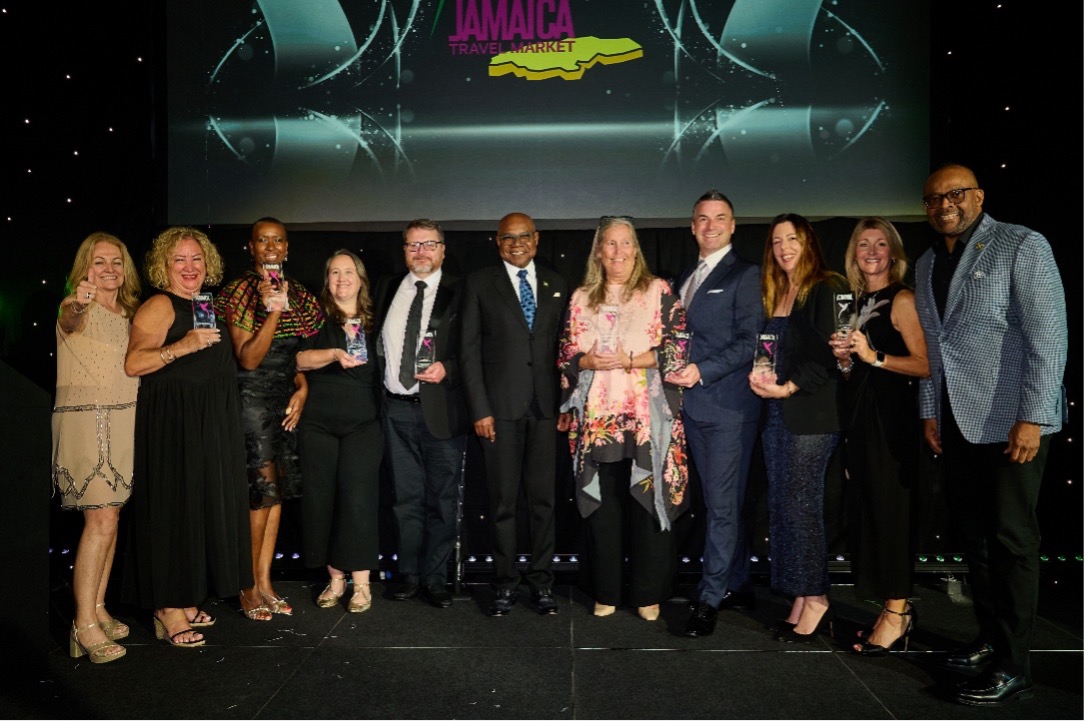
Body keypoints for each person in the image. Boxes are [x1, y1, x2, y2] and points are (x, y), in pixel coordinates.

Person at [914, 164, 1066, 706]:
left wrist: (1034, 415)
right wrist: (932, 411)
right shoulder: (930, 262)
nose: (943, 205)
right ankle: (988, 638)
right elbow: (936, 350)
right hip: (958, 422)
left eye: (954, 194)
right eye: (933, 199)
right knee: (975, 541)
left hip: (1012, 423)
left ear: (977, 196)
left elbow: (1050, 336)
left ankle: (1014, 663)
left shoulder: (1021, 245)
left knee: (1012, 542)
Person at [122, 226, 251, 647]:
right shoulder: (160, 304)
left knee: (193, 510)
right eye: (180, 259)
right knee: (172, 510)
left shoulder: (205, 304)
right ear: (164, 265)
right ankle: (167, 609)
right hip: (171, 426)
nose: (190, 267)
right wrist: (182, 346)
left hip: (205, 424)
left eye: (196, 258)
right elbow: (134, 364)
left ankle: (186, 593)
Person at [558, 216, 688, 621]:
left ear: (636, 249)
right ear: (599, 251)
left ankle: (648, 594)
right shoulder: (582, 298)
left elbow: (679, 347)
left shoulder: (657, 291)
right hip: (597, 419)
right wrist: (586, 360)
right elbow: (564, 356)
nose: (617, 252)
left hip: (646, 417)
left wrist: (634, 359)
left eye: (625, 244)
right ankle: (606, 590)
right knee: (604, 506)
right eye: (609, 244)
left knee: (647, 502)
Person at [827, 217, 929, 655]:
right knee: (869, 514)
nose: (871, 250)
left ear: (893, 253)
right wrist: (846, 360)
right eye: (863, 243)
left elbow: (925, 364)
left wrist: (876, 356)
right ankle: (890, 608)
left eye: (880, 243)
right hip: (860, 422)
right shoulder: (853, 302)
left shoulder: (902, 298)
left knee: (891, 516)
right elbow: (854, 371)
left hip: (894, 424)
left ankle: (899, 612)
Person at [664, 190, 763, 638]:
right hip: (692, 409)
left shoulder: (745, 275)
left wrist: (701, 370)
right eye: (702, 218)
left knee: (721, 507)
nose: (710, 225)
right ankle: (734, 581)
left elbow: (748, 342)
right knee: (718, 504)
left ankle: (708, 600)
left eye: (720, 218)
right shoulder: (687, 275)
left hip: (726, 409)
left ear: (733, 224)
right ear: (692, 225)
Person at [460, 212, 569, 616]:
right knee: (503, 503)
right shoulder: (479, 283)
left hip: (546, 411)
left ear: (537, 239)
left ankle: (542, 583)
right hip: (498, 413)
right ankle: (504, 582)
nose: (517, 243)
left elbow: (566, 350)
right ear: (497, 241)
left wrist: (568, 403)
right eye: (508, 238)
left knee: (544, 502)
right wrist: (480, 409)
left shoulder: (556, 283)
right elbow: (468, 352)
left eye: (524, 236)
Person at [215, 217, 323, 619]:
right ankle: (245, 586)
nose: (272, 247)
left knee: (276, 497)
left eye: (278, 240)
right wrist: (273, 310)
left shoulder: (298, 293)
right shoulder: (240, 292)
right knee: (260, 495)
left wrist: (303, 386)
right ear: (251, 247)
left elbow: (290, 355)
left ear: (287, 248)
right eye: (263, 240)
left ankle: (264, 582)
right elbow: (249, 357)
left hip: (283, 401)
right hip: (251, 401)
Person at [748, 213, 845, 643]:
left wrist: (788, 387)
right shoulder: (779, 291)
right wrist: (762, 377)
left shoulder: (827, 286)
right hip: (777, 413)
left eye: (792, 238)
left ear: (808, 242)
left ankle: (817, 598)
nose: (784, 247)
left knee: (803, 506)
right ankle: (799, 595)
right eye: (776, 241)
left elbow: (831, 353)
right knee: (784, 506)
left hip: (811, 415)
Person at [53, 232, 141, 664]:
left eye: (116, 262)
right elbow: (70, 320)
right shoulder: (75, 306)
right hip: (89, 420)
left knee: (112, 517)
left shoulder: (127, 311)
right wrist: (78, 301)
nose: (109, 269)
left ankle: (99, 607)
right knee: (100, 522)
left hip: (124, 417)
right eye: (100, 262)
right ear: (84, 268)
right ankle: (82, 625)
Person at [376, 220, 468, 608]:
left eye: (429, 245)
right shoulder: (386, 289)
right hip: (395, 410)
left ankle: (435, 577)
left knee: (441, 499)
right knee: (405, 499)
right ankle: (409, 575)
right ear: (404, 251)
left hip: (442, 411)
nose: (421, 252)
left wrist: (449, 366)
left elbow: (479, 348)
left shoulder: (462, 291)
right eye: (413, 245)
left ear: (443, 250)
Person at [295, 250, 383, 614]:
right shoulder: (314, 319)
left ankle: (361, 585)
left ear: (361, 279)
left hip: (363, 424)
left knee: (358, 499)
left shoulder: (376, 322)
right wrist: (332, 353)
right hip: (317, 424)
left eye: (349, 272)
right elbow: (296, 359)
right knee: (321, 501)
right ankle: (335, 579)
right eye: (334, 272)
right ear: (327, 279)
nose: (342, 278)